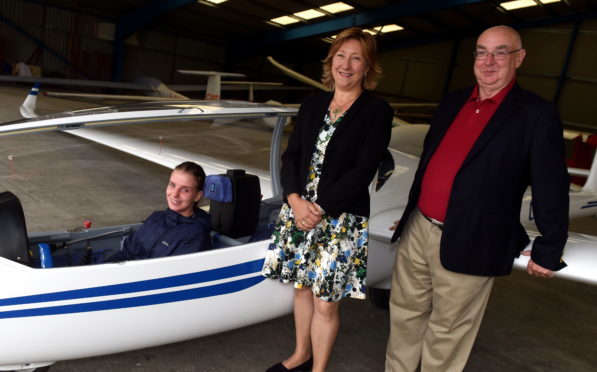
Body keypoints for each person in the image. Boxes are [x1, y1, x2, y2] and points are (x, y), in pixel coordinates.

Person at [385, 25, 569, 371]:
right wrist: (413, 210)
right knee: (404, 317)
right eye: (482, 51)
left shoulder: (535, 114)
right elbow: (430, 162)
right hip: (419, 229)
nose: (489, 61)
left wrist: (550, 246)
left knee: (447, 331)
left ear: (519, 58)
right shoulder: (454, 100)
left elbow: (551, 185)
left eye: (500, 52)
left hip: (475, 237)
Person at [262, 27, 393, 372]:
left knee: (326, 302)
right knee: (302, 289)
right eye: (341, 56)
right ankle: (300, 354)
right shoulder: (312, 103)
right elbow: (292, 157)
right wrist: (293, 200)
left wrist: (317, 210)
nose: (346, 65)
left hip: (339, 219)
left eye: (356, 58)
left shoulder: (377, 111)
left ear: (368, 67)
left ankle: (319, 368)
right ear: (331, 60)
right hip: (299, 211)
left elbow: (363, 169)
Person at [107, 161, 212, 261]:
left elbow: (169, 276)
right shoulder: (156, 218)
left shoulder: (195, 237)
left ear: (197, 196)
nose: (175, 194)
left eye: (185, 190)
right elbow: (126, 254)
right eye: (172, 185)